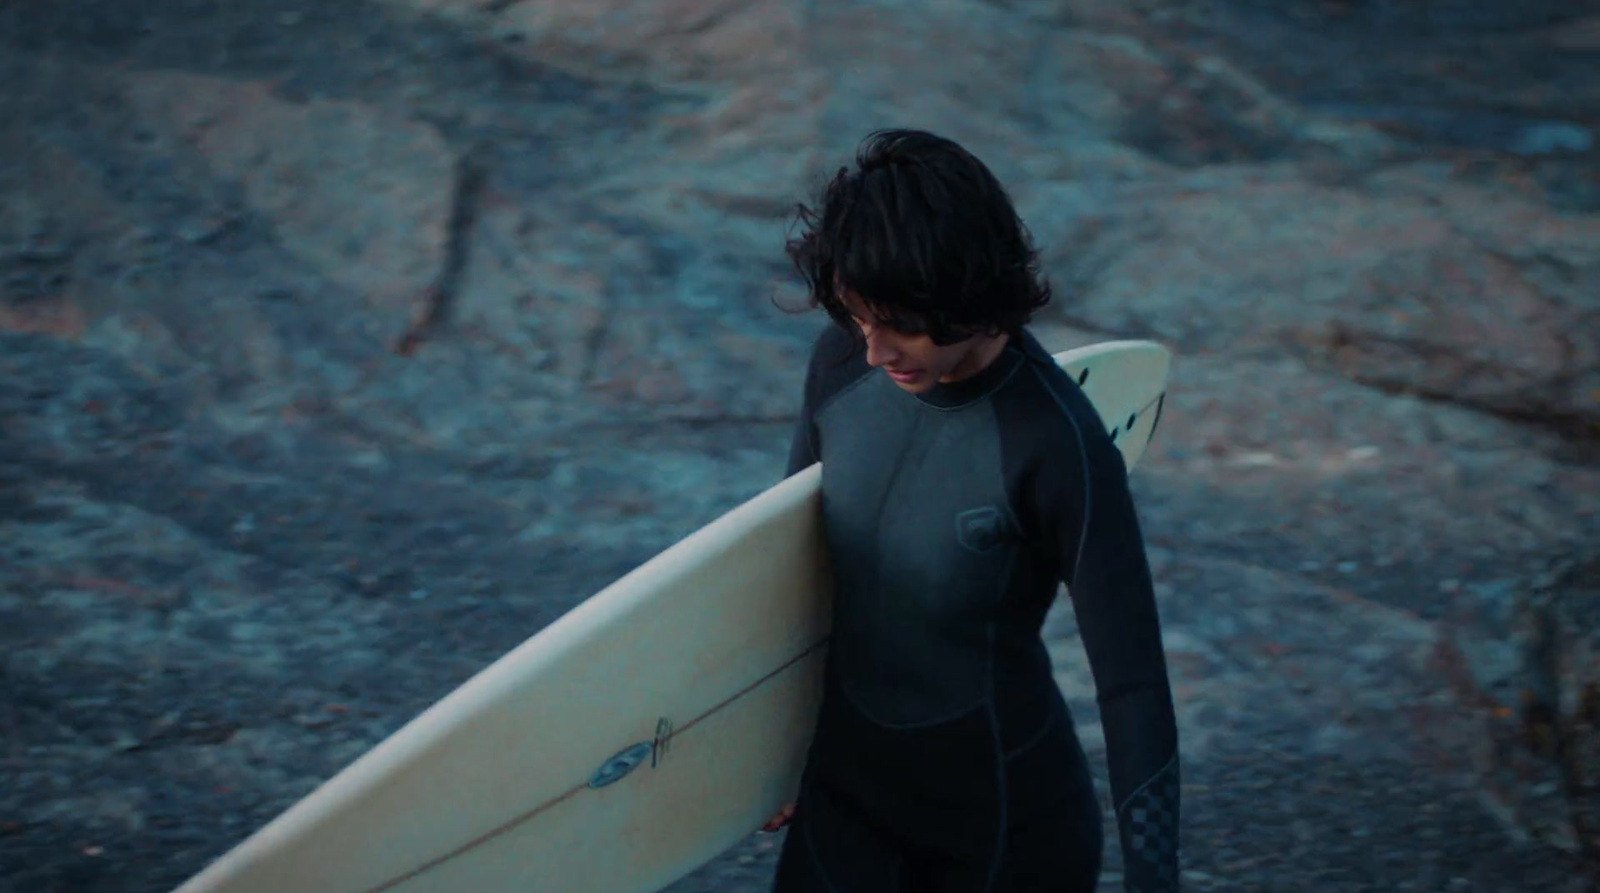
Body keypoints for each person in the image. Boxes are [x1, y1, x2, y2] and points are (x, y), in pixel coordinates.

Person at [764, 129, 1181, 893]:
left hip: (1004, 831)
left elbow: (1133, 687)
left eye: (899, 321)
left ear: (967, 290)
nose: (876, 349)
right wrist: (768, 756)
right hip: (844, 806)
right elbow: (795, 571)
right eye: (859, 317)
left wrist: (1155, 878)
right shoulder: (839, 367)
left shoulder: (1056, 443)